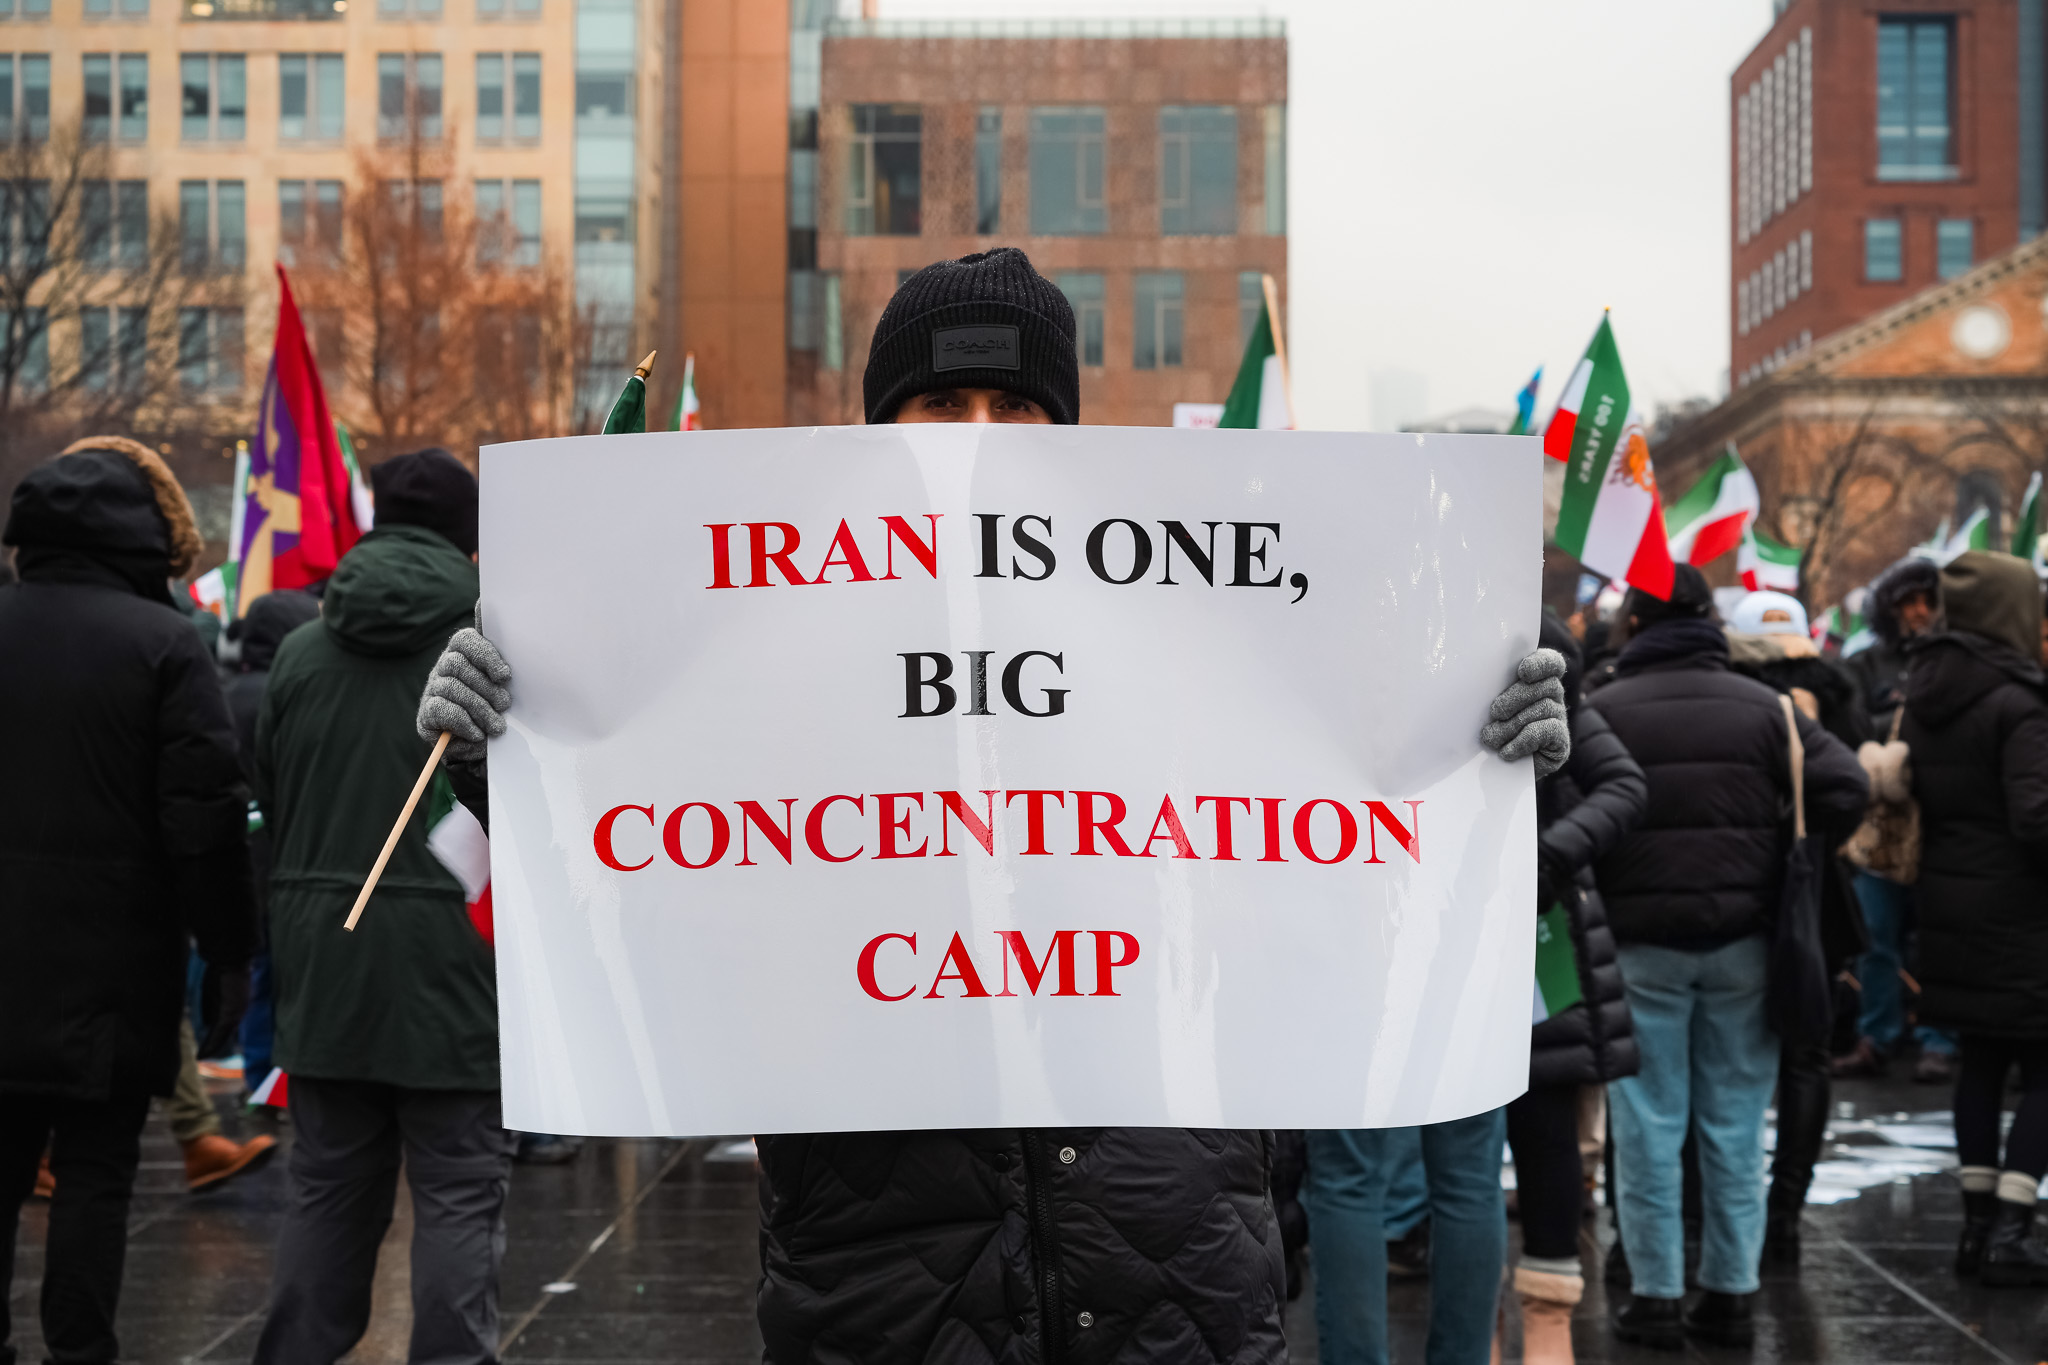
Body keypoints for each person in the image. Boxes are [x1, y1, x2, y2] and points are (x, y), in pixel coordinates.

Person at [415, 247, 1572, 1363]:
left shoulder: (1207, 640)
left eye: (1012, 406)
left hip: (1171, 1265)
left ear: (1064, 433)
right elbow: (655, 882)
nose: (978, 439)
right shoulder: (775, 668)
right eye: (943, 402)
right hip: (886, 1273)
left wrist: (1488, 759)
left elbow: (1336, 866)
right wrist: (512, 750)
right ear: (878, 435)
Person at [0, 437, 256, 1365]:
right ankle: (81, 1350)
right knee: (95, 1176)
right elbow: (207, 819)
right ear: (146, 536)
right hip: (113, 965)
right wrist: (230, 950)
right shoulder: (162, 645)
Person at [252, 449, 509, 1365]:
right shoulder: (494, 654)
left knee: (323, 1190)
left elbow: (272, 808)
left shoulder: (297, 652)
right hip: (456, 964)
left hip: (327, 958)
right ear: (470, 544)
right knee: (457, 1194)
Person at [1584, 565, 1866, 1348]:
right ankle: (1733, 1289)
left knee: (1646, 1123)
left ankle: (1656, 1292)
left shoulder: (1603, 708)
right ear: (1710, 618)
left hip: (1637, 942)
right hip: (1746, 939)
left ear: (1634, 622)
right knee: (1736, 1121)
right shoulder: (1768, 708)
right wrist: (1789, 855)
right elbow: (1846, 785)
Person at [1899, 552, 2048, 1284]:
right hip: (2021, 909)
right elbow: (2036, 815)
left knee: (1983, 1062)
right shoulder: (2018, 700)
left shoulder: (1931, 687)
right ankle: (2013, 1230)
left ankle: (1977, 1226)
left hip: (1951, 902)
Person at [1503, 614, 1646, 1364]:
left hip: (1539, 931)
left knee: (1547, 1117)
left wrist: (1546, 858)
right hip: (1441, 924)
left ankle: (1547, 1320)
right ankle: (1481, 1326)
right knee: (1451, 1141)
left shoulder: (1543, 643)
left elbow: (1623, 784)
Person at [1723, 592, 1871, 1263]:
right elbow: (1853, 782)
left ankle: (1733, 1213)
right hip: (1814, 895)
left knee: (1731, 1057)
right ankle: (1783, 1212)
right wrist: (1815, 846)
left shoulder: (1740, 696)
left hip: (1749, 891)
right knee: (1805, 1053)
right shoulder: (1837, 693)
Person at [1835, 556, 1956, 1084]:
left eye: (1927, 601)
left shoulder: (1954, 659)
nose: (1919, 612)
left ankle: (1940, 1041)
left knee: (1938, 937)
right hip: (1880, 826)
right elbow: (1854, 725)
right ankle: (1876, 1036)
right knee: (1877, 936)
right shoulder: (1867, 665)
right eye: (1908, 603)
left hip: (1942, 823)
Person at [222, 590, 322, 1094]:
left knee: (251, 969)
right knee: (280, 974)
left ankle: (254, 1074)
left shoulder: (225, 693)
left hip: (233, 854)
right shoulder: (289, 693)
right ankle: (271, 1078)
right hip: (280, 858)